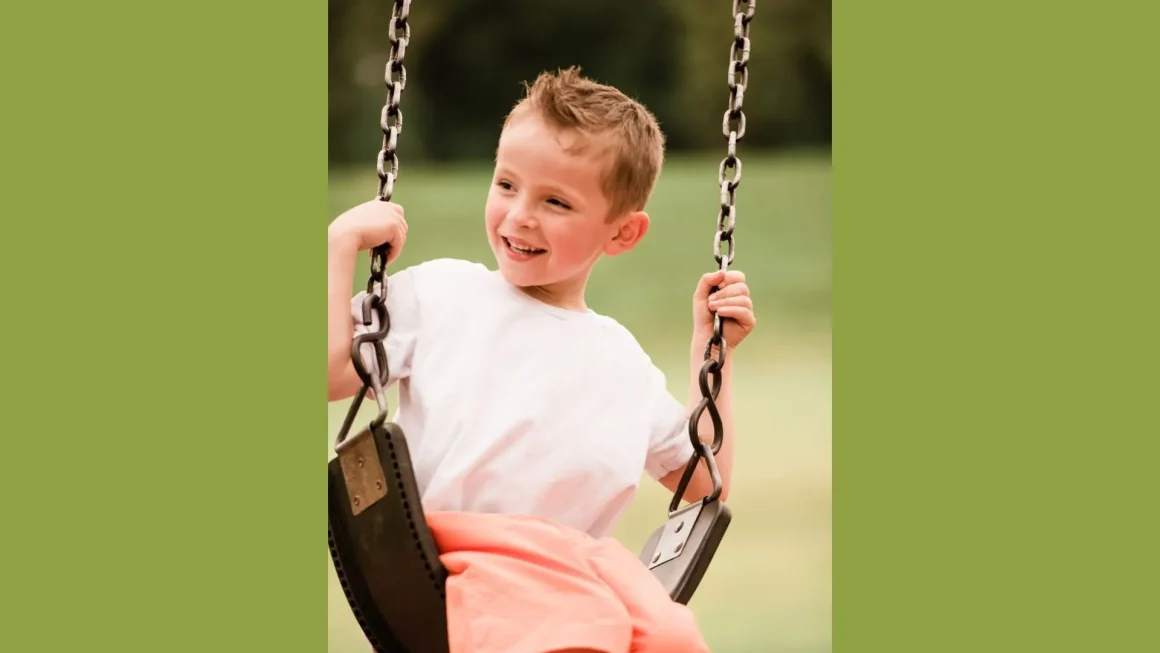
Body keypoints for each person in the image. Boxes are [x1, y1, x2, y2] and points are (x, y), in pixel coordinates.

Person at [327, 67, 757, 653]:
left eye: (555, 201)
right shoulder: (442, 294)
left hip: (582, 572)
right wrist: (338, 248)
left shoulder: (621, 362)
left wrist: (714, 354)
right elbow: (330, 373)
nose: (520, 214)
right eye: (507, 184)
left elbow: (705, 478)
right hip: (465, 556)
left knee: (672, 633)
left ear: (622, 234)